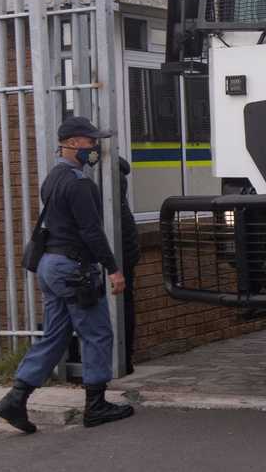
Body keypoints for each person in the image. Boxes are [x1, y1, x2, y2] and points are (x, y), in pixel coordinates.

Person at [0, 116, 134, 433]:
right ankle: (95, 406)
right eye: (89, 141)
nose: (94, 147)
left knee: (55, 336)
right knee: (97, 332)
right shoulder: (79, 183)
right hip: (73, 270)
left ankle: (15, 399)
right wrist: (113, 269)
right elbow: (92, 232)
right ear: (72, 144)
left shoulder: (53, 178)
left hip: (50, 266)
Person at [118, 157, 140, 375]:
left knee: (122, 305)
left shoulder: (109, 173)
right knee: (126, 303)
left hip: (121, 249)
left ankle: (122, 358)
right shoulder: (118, 169)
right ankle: (125, 357)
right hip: (128, 245)